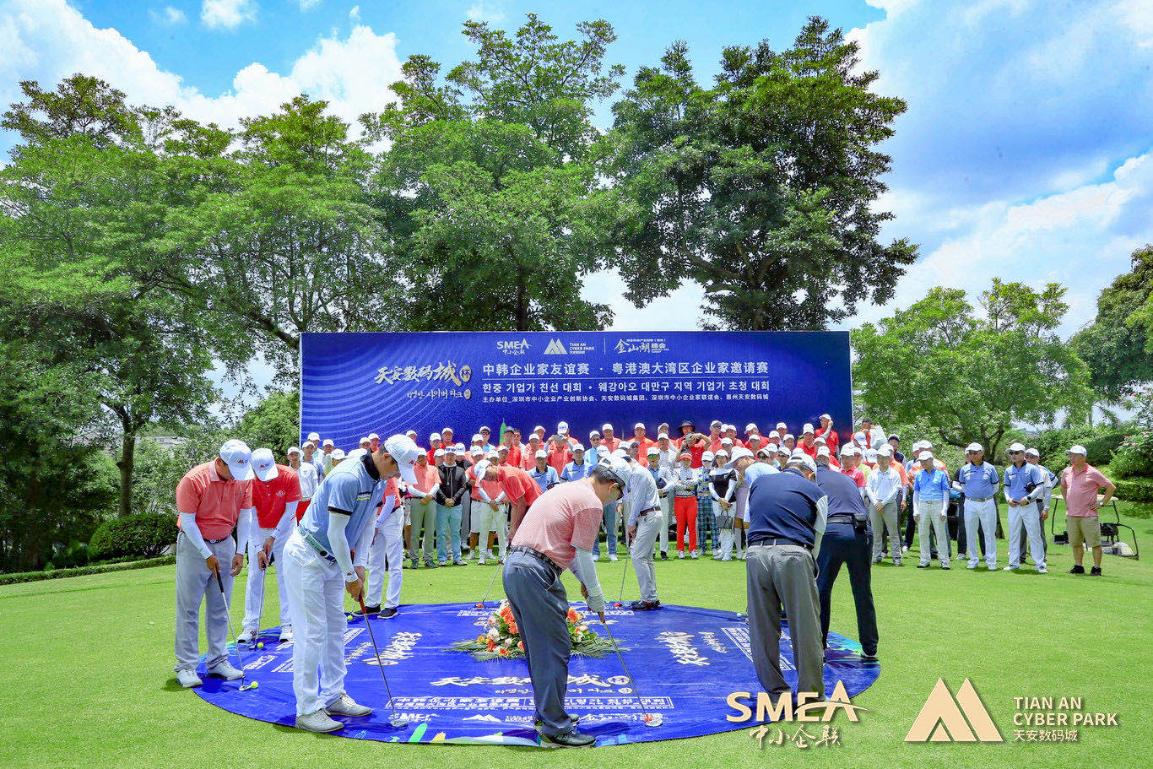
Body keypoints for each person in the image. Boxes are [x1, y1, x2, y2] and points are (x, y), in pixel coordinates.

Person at [282, 435, 421, 733]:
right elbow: (335, 532)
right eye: (397, 469)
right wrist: (350, 577)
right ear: (386, 456)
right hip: (308, 555)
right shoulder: (348, 477)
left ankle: (333, 695)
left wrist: (360, 566)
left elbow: (368, 523)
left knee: (336, 627)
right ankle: (307, 709)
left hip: (334, 558)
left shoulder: (380, 480)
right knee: (312, 632)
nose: (397, 475)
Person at [502, 461, 624, 747]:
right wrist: (596, 596)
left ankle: (546, 714)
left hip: (516, 567)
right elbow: (583, 553)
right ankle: (556, 726)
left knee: (538, 649)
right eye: (614, 499)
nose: (609, 504)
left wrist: (586, 584)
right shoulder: (591, 502)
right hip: (536, 572)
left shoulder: (564, 489)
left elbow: (570, 552)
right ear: (612, 487)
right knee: (554, 649)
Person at [172, 440, 256, 689]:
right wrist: (206, 554)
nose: (237, 476)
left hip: (226, 542)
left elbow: (245, 516)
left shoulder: (243, 478)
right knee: (189, 607)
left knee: (221, 606)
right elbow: (188, 522)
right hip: (194, 544)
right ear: (219, 462)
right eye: (232, 470)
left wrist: (240, 551)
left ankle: (217, 660)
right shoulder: (193, 480)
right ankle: (186, 666)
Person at [745, 452, 827, 701]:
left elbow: (751, 519)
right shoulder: (815, 491)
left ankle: (775, 693)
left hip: (755, 554)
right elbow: (818, 537)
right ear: (809, 474)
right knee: (805, 627)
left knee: (761, 628)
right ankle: (810, 696)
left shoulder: (759, 483)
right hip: (793, 554)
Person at [814, 449, 879, 661]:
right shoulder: (845, 478)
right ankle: (870, 647)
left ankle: (818, 645)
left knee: (821, 588)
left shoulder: (812, 480)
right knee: (862, 590)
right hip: (862, 530)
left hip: (833, 530)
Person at [239, 448, 301, 643]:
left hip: (285, 529)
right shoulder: (248, 482)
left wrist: (273, 537)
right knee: (255, 576)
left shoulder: (289, 476)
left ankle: (288, 623)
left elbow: (290, 512)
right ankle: (250, 626)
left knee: (286, 574)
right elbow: (250, 518)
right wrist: (258, 548)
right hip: (258, 529)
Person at [1061, 445, 1115, 576]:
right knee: (1075, 543)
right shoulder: (1067, 471)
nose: (1071, 457)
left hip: (1088, 515)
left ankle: (1096, 568)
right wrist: (1067, 502)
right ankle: (1078, 566)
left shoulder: (1093, 472)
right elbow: (1063, 487)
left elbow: (1110, 487)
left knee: (1095, 543)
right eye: (1070, 455)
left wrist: (1101, 503)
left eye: (1074, 455)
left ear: (1083, 457)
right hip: (1072, 514)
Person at [623, 452, 663, 610]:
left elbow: (638, 500)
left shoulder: (638, 473)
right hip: (650, 515)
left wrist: (631, 522)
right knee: (646, 558)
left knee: (638, 556)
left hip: (648, 515)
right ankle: (651, 597)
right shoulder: (639, 472)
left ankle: (648, 598)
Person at [360, 477, 403, 618]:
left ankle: (392, 605)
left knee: (394, 562)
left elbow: (390, 502)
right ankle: (373, 604)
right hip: (375, 517)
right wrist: (372, 524)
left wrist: (376, 525)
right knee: (374, 561)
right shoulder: (365, 476)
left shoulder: (387, 475)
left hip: (392, 516)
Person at [1002, 443, 1047, 573]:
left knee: (1034, 534)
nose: (1013, 455)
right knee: (1014, 535)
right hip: (1013, 506)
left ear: (1023, 454)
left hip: (1029, 506)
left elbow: (1040, 486)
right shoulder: (1008, 470)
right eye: (1011, 453)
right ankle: (1013, 563)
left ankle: (1040, 564)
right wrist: (1008, 499)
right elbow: (1006, 487)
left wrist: (1028, 498)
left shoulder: (1032, 469)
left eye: (1016, 453)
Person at [955, 443, 999, 568]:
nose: (972, 455)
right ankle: (973, 560)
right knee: (970, 532)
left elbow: (995, 486)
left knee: (989, 532)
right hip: (970, 503)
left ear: (981, 453)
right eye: (970, 453)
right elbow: (963, 486)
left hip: (987, 502)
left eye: (975, 453)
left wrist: (985, 496)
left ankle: (991, 561)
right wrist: (972, 494)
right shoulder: (964, 469)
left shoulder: (990, 468)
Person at [912, 451, 952, 569]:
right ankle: (924, 559)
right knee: (923, 533)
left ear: (931, 460)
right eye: (921, 461)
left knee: (940, 533)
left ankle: (944, 560)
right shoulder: (919, 475)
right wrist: (915, 509)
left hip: (937, 504)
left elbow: (945, 492)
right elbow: (916, 493)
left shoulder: (941, 474)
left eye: (925, 460)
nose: (923, 463)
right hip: (923, 504)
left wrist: (944, 509)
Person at [864, 446, 902, 566]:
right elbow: (868, 489)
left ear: (889, 459)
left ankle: (896, 556)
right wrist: (876, 502)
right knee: (876, 532)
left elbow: (895, 491)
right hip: (875, 504)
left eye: (884, 458)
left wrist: (883, 502)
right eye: (879, 457)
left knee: (893, 532)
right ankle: (876, 556)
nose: (881, 460)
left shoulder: (894, 474)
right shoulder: (873, 473)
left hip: (889, 504)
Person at [1020, 447, 1056, 563]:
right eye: (1027, 456)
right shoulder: (1019, 469)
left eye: (1032, 457)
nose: (1029, 459)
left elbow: (1048, 491)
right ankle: (1021, 556)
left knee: (1039, 531)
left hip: (1037, 503)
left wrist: (1046, 508)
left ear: (1037, 458)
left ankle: (1042, 556)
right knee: (1021, 530)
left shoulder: (1043, 472)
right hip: (1022, 503)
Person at [436, 446, 470, 566]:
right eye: (448, 455)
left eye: (452, 455)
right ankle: (442, 558)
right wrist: (445, 499)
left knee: (455, 532)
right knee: (441, 532)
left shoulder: (460, 470)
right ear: (444, 456)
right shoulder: (438, 469)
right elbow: (436, 486)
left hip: (456, 506)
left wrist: (454, 499)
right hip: (441, 505)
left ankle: (457, 557)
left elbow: (463, 487)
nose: (450, 457)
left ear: (455, 456)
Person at [408, 452, 440, 568]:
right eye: (418, 457)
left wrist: (428, 496)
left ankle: (428, 558)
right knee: (415, 532)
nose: (421, 459)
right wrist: (425, 495)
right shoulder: (411, 469)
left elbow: (437, 485)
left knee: (430, 532)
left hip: (430, 502)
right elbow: (410, 488)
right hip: (417, 501)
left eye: (422, 456)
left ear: (426, 457)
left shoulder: (433, 469)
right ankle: (414, 559)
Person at [289, 446, 318, 522]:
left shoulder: (310, 467)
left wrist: (315, 501)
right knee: (296, 525)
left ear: (300, 455)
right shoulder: (286, 472)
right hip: (294, 504)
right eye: (291, 455)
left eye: (296, 454)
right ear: (288, 457)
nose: (294, 457)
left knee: (310, 524)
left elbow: (315, 485)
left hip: (309, 502)